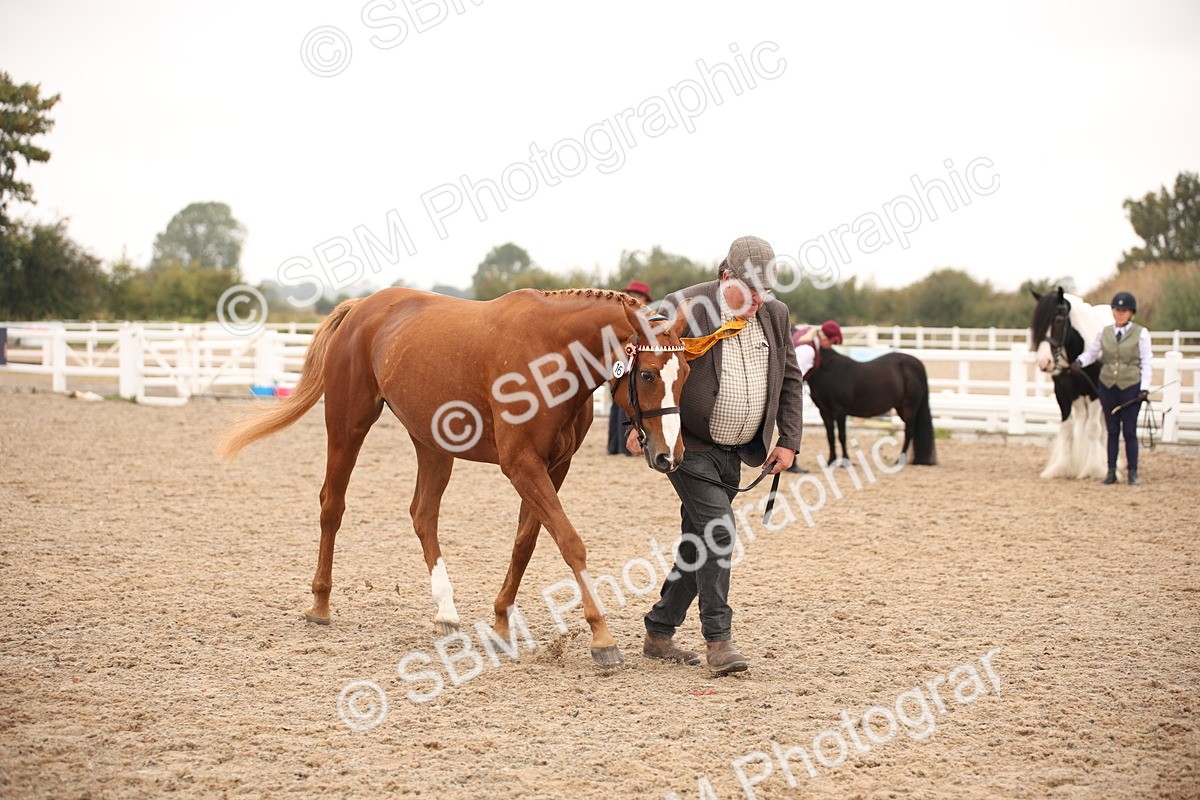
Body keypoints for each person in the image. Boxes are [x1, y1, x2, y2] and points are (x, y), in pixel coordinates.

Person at [630, 236, 804, 674]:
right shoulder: (684, 306)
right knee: (720, 532)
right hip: (688, 444)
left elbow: (790, 380)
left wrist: (788, 440)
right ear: (726, 277)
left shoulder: (775, 314)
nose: (758, 302)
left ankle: (659, 630)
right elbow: (641, 366)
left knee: (701, 542)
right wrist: (634, 427)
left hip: (740, 448)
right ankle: (719, 640)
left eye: (765, 292)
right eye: (749, 292)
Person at [1071, 291, 1152, 485]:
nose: (1120, 314)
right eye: (1117, 310)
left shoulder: (1141, 334)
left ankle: (1133, 471)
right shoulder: (1104, 332)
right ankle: (1111, 470)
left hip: (1130, 387)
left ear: (1131, 312)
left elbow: (1147, 361)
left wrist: (1145, 387)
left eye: (1124, 311)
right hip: (1107, 386)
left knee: (1130, 431)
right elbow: (1092, 352)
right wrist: (1079, 362)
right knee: (1111, 431)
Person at [786, 320, 842, 472]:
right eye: (832, 343)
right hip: (787, 392)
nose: (831, 347)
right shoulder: (808, 351)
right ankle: (791, 462)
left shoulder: (807, 334)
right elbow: (792, 376)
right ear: (825, 339)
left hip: (785, 390)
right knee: (792, 425)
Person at [607, 280, 654, 455]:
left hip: (616, 361)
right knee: (625, 403)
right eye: (634, 294)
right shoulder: (638, 318)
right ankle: (622, 448)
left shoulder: (618, 314)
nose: (636, 298)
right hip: (624, 361)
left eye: (638, 295)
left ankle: (614, 447)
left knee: (616, 404)